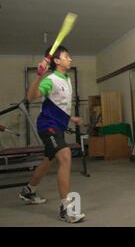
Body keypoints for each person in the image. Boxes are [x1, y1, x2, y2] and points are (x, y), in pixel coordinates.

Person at [19, 46, 86, 223]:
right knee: (65, 155)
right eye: (66, 56)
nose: (70, 59)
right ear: (56, 61)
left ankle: (29, 190)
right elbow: (31, 97)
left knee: (48, 159)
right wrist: (39, 75)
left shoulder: (67, 79)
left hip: (58, 126)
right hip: (47, 125)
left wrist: (71, 118)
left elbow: (59, 105)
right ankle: (65, 209)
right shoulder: (51, 80)